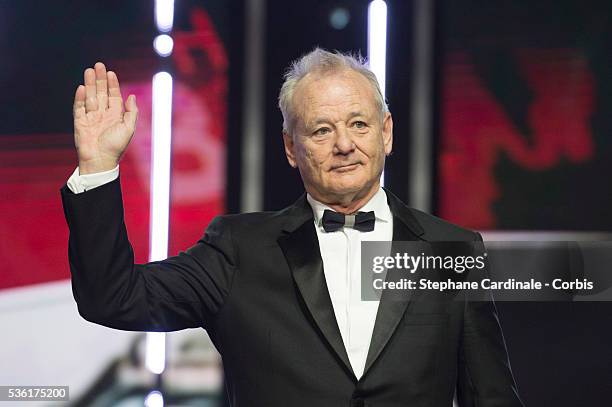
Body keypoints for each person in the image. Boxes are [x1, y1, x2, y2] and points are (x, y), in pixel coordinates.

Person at [61, 48, 523, 406]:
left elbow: (491, 396)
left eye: (358, 124)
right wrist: (99, 169)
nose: (344, 144)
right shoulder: (237, 250)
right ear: (290, 147)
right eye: (321, 130)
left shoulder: (452, 249)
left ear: (386, 132)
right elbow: (112, 298)